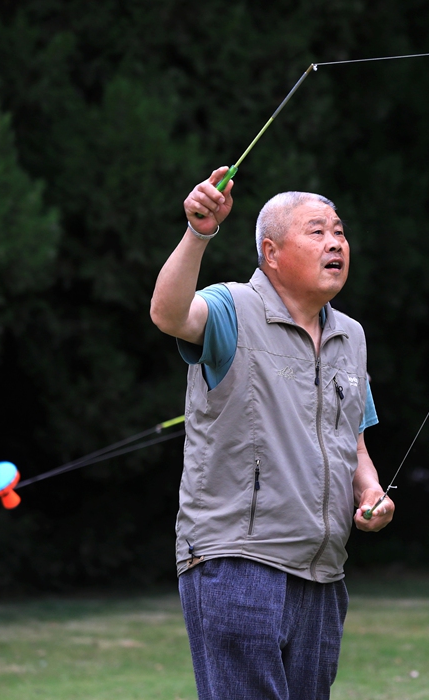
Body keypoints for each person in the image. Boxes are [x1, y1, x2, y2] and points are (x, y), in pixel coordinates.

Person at [150, 166, 395, 700]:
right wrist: (198, 232)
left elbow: (352, 438)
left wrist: (371, 491)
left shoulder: (350, 336)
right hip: (237, 562)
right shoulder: (230, 306)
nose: (336, 243)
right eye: (317, 232)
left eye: (340, 232)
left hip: (324, 573)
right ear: (272, 252)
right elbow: (168, 314)